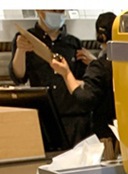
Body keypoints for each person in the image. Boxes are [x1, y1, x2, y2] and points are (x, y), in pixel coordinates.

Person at [9, 9, 91, 147]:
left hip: (74, 120)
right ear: (39, 10)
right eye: (53, 10)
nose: (57, 14)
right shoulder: (26, 38)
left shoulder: (73, 43)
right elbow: (18, 77)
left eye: (61, 11)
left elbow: (83, 84)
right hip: (43, 119)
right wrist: (20, 50)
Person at [49, 12, 119, 160]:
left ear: (100, 36)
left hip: (106, 140)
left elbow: (85, 98)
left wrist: (66, 73)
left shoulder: (99, 66)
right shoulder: (125, 61)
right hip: (123, 136)